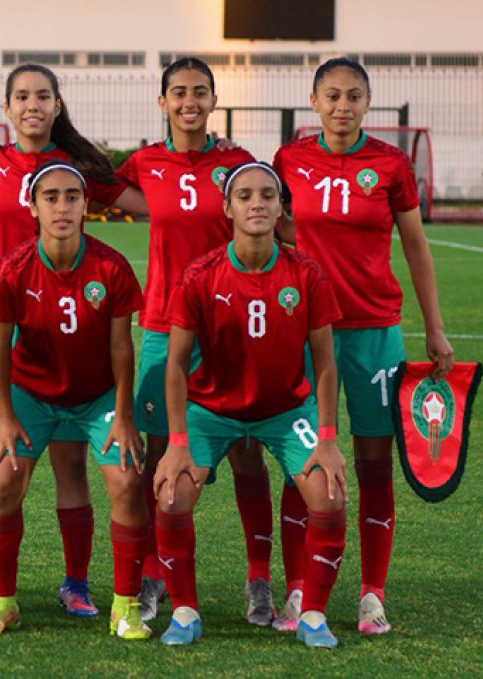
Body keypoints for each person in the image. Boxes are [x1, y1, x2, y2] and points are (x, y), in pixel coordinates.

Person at [272, 57, 453, 635]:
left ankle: (371, 594)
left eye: (353, 96)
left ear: (367, 103)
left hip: (375, 331)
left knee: (375, 465)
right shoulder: (290, 160)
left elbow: (417, 248)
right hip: (304, 333)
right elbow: (272, 230)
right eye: (331, 95)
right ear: (314, 101)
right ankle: (298, 588)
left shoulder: (391, 165)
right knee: (301, 463)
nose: (342, 105)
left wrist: (435, 326)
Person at [0, 64, 136, 617]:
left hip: (76, 329)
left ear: (58, 105)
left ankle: (76, 583)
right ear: (6, 107)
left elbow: (151, 202)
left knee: (71, 465)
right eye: (21, 96)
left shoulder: (79, 171)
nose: (32, 104)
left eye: (43, 95)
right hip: (5, 329)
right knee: (2, 464)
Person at [154, 161, 348, 648]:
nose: (257, 202)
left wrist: (327, 439)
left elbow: (325, 364)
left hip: (285, 410)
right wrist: (178, 442)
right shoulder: (200, 275)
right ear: (227, 209)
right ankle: (183, 610)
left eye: (267, 194)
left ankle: (314, 616)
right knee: (172, 492)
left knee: (329, 492)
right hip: (212, 410)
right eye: (244, 196)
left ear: (282, 206)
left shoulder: (306, 273)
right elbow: (175, 366)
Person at [114, 57, 275, 625]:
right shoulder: (144, 163)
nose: (189, 100)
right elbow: (111, 192)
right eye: (178, 92)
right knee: (161, 456)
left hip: (230, 328)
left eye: (200, 92)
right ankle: (158, 575)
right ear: (163, 102)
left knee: (247, 453)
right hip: (162, 326)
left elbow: (271, 225)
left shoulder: (236, 163)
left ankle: (259, 580)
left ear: (213, 99)